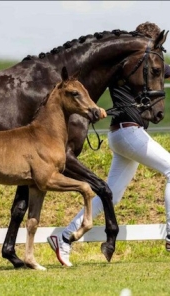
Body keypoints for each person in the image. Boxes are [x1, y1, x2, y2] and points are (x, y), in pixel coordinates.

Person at [47, 22, 170, 267]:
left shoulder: (130, 66)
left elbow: (164, 71)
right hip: (128, 133)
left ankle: (63, 236)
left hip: (122, 135)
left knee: (110, 196)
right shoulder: (132, 66)